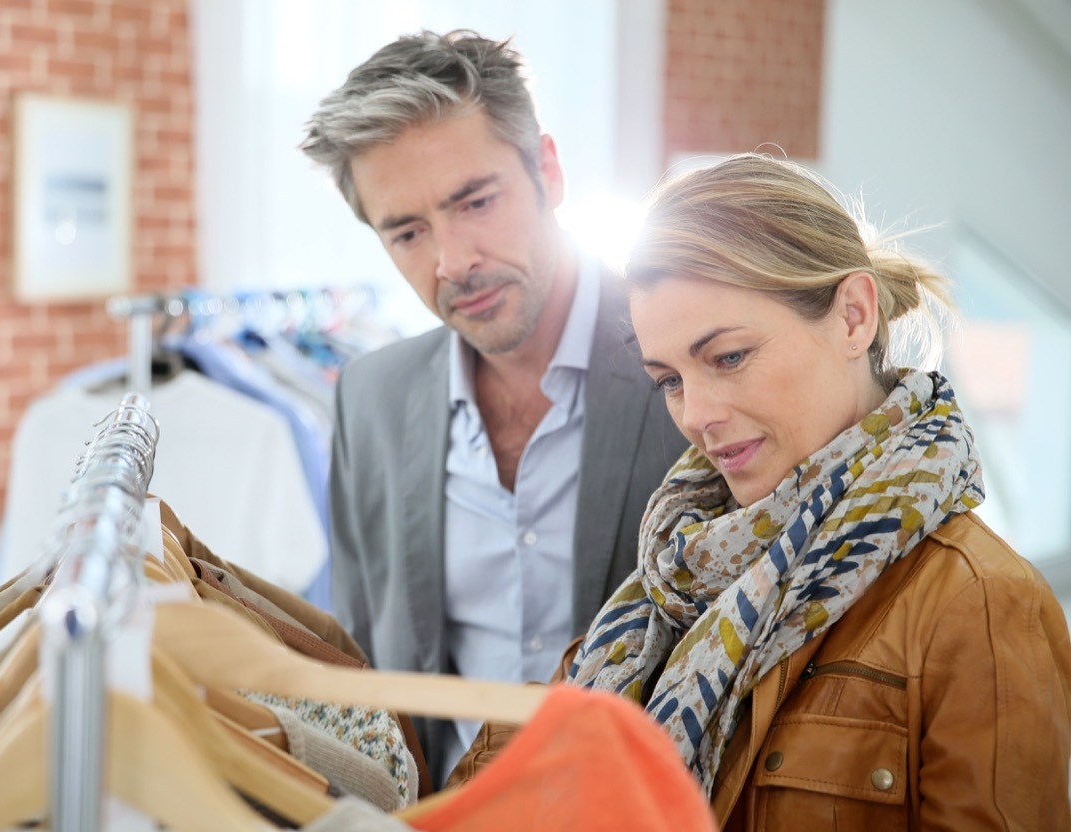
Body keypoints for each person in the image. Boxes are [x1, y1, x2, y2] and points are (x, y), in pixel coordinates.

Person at [449, 153, 1071, 829]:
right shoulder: (674, 577)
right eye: (670, 379)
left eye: (729, 357)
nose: (696, 415)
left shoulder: (978, 604)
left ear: (854, 316)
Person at [299, 29, 688, 784]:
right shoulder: (370, 399)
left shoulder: (686, 364)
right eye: (406, 232)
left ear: (547, 168)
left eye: (475, 201)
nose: (452, 262)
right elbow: (365, 670)